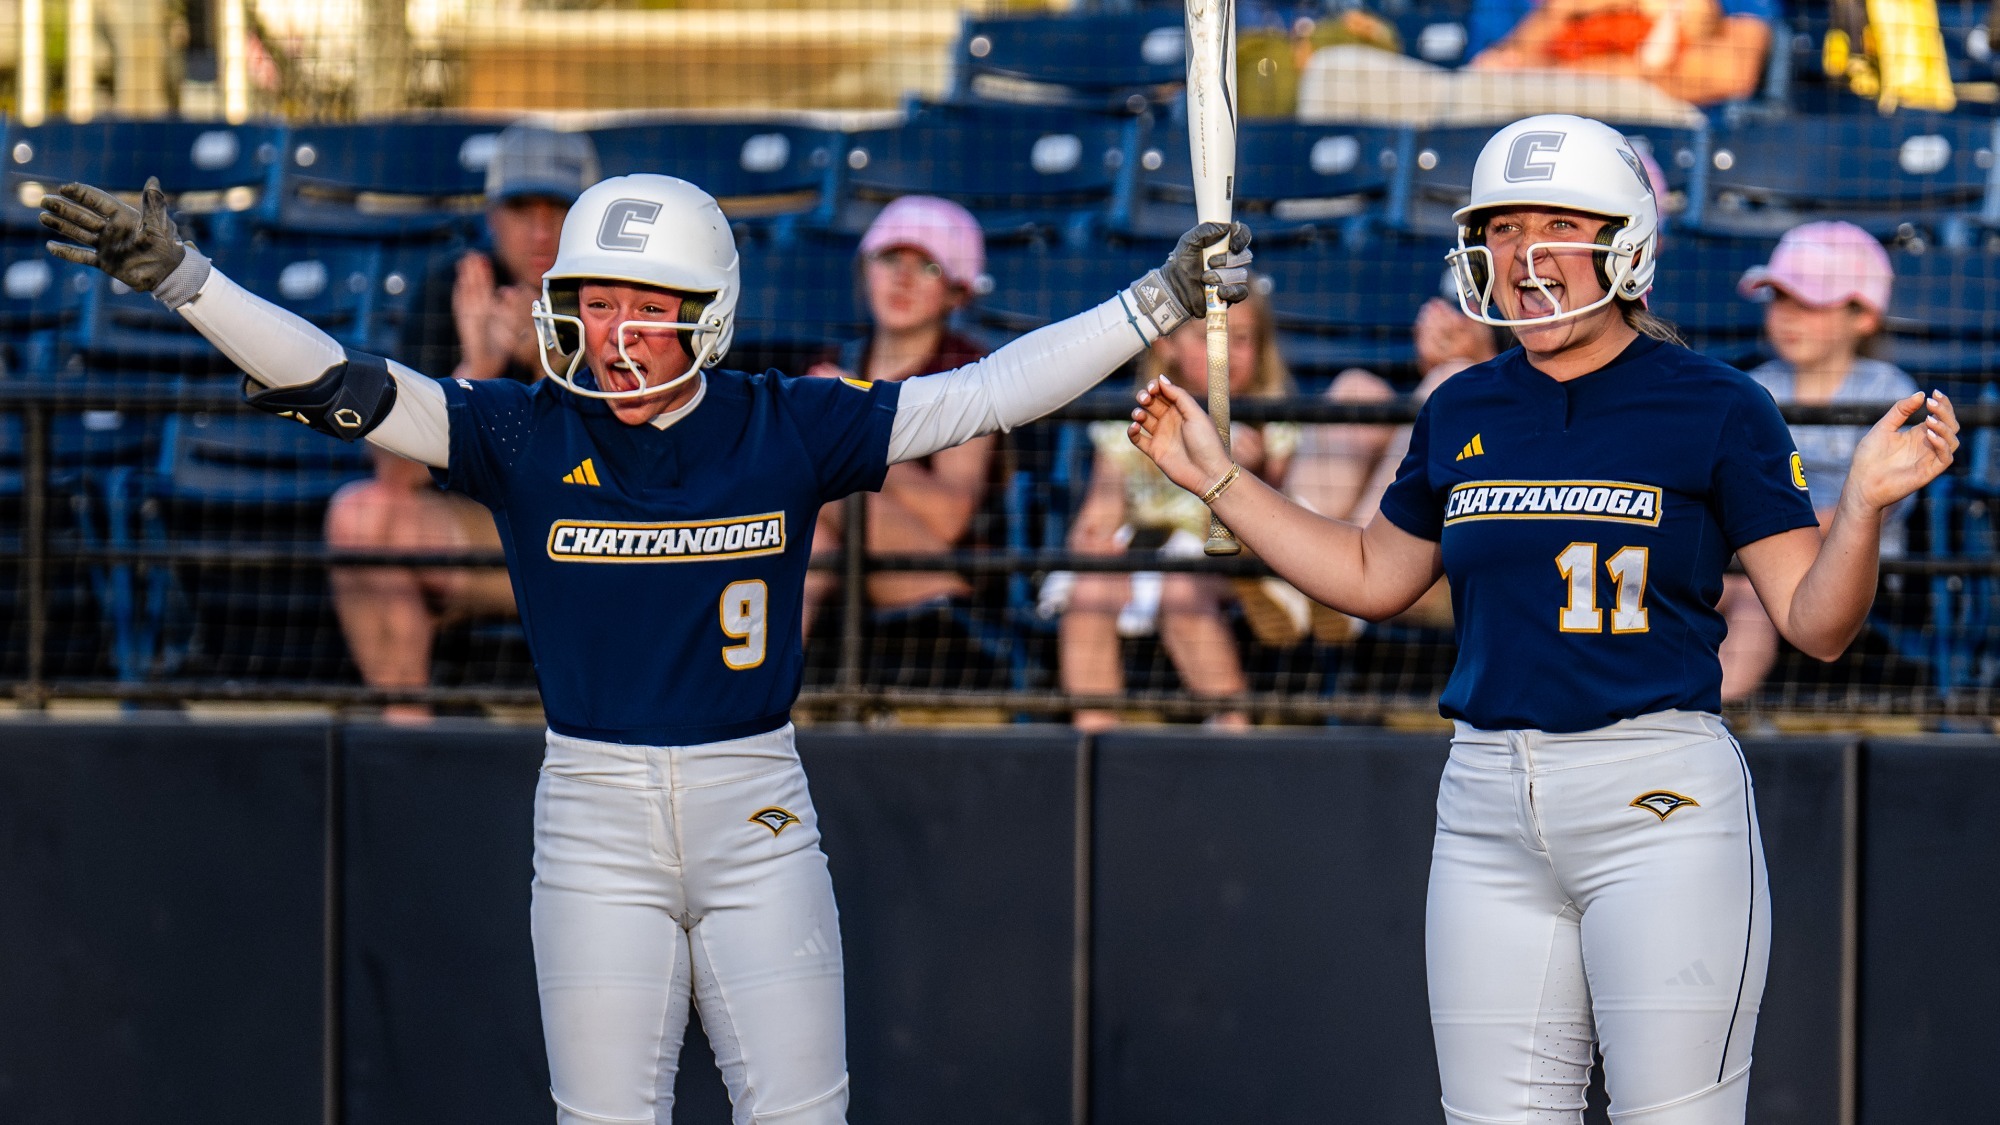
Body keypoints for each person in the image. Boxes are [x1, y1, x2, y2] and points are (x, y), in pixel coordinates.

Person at [39, 171, 1250, 1124]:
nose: (612, 332)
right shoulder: (517, 428)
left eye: (642, 308)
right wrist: (189, 283)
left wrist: (1155, 300)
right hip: (592, 813)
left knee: (801, 1113)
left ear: (707, 316)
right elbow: (342, 386)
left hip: (757, 808)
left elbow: (991, 390)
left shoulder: (790, 422)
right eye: (594, 302)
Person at [1124, 115, 1955, 1124]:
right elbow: (1368, 573)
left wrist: (1861, 506)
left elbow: (1815, 626)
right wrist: (1216, 478)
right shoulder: (1462, 404)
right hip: (1481, 799)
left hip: (1656, 801)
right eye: (1504, 228)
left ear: (1627, 244)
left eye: (1560, 223)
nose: (1525, 254)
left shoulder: (1717, 403)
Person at [324, 123, 600, 720]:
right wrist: (476, 370)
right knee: (360, 514)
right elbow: (395, 475)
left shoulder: (624, 296)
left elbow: (652, 460)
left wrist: (552, 365)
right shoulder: (456, 288)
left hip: (609, 542)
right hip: (491, 540)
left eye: (560, 210)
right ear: (491, 214)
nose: (541, 230)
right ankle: (410, 747)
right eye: (522, 208)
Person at [1057, 282, 1297, 731]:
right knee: (1090, 588)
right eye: (1209, 339)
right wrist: (1093, 533)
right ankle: (1094, 741)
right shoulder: (1139, 418)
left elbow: (1282, 517)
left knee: (1182, 590)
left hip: (1230, 560)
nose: (1224, 354)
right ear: (1166, 346)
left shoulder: (1270, 422)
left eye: (1240, 340)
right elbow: (1103, 504)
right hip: (1147, 550)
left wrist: (1253, 471)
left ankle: (1232, 729)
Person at [1718, 222, 1918, 704]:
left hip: (1848, 562)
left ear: (1864, 317)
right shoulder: (1754, 385)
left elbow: (1880, 506)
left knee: (1749, 599)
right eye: (1779, 299)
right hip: (1752, 551)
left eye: (1810, 303)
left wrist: (1769, 540)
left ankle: (1716, 704)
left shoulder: (1889, 391)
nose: (1788, 317)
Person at [800, 196, 991, 640]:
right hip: (838, 563)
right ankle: (765, 695)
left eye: (927, 266)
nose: (902, 279)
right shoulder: (831, 364)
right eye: (889, 259)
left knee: (821, 489)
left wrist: (861, 426)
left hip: (940, 582)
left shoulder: (971, 374)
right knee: (810, 527)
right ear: (865, 269)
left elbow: (948, 521)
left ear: (958, 292)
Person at [1467, 0, 1774, 105]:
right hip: (1535, 127)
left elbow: (1728, 74)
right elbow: (1491, 69)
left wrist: (1548, 73)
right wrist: (1564, 10)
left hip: (1660, 147)